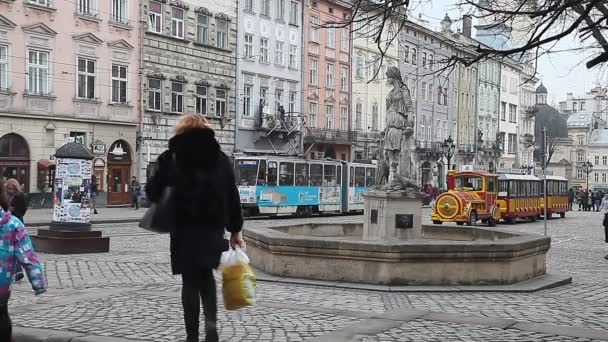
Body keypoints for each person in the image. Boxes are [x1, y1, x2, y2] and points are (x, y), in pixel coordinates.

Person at [146, 114, 244, 342]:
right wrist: (235, 230)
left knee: (189, 282)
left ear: (181, 130)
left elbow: (153, 192)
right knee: (207, 278)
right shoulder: (220, 158)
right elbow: (232, 195)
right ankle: (211, 325)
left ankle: (192, 336)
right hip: (212, 229)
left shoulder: (171, 157)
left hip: (183, 229)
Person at [0, 178, 46, 340]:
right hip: (2, 285)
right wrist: (38, 284)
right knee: (2, 317)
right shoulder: (13, 224)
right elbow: (28, 256)